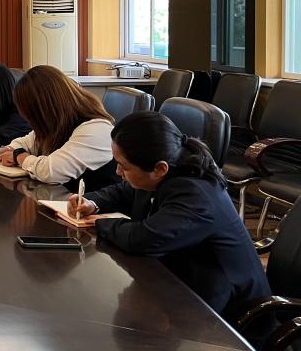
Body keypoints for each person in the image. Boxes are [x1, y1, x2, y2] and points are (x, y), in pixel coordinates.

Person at [67, 111, 270, 320]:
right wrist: (92, 202)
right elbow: (125, 191)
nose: (118, 172)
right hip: (188, 286)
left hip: (231, 316)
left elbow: (143, 239)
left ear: (159, 169)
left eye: (124, 167)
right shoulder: (168, 169)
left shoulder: (196, 195)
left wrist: (101, 224)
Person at [0, 64, 116, 191]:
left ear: (45, 110)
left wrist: (19, 156)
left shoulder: (96, 129)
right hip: (64, 202)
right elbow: (28, 142)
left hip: (96, 206)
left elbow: (51, 172)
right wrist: (3, 151)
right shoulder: (58, 124)